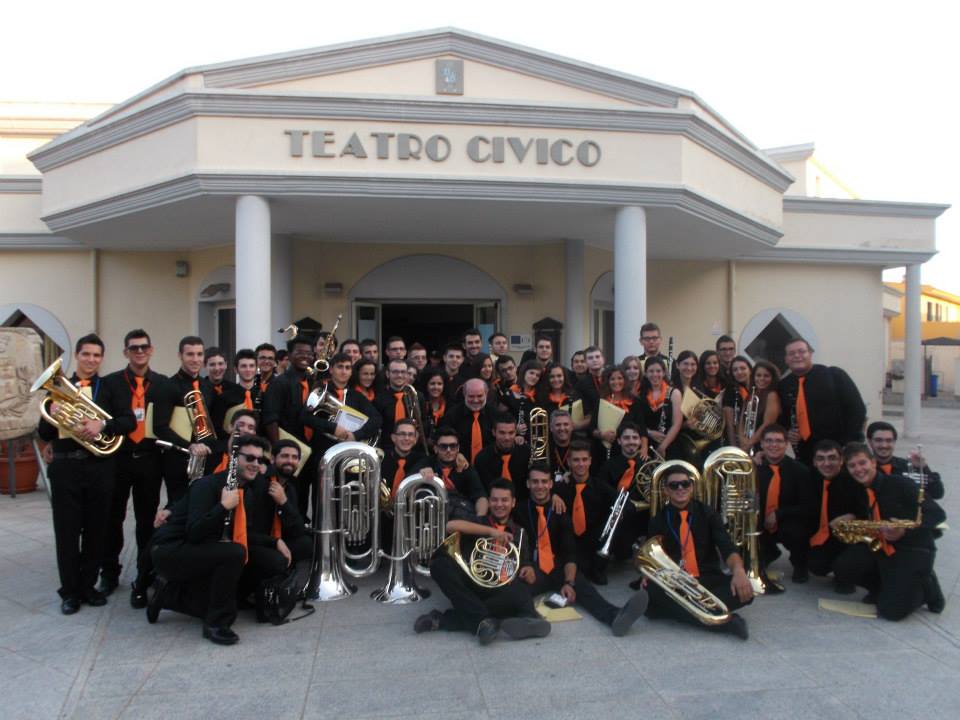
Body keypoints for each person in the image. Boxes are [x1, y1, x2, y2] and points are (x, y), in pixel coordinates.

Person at [38, 334, 136, 615]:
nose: (91, 360)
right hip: (65, 468)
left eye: (96, 355)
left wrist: (101, 425)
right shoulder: (58, 389)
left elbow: (128, 421)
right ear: (77, 356)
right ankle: (69, 592)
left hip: (99, 467)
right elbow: (44, 432)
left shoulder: (111, 387)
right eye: (86, 354)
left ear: (101, 358)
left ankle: (88, 586)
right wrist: (53, 413)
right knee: (67, 532)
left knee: (97, 530)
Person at [148, 434, 270, 644]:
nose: (255, 464)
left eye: (260, 460)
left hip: (201, 548)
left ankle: (167, 595)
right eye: (249, 458)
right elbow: (194, 532)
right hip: (170, 550)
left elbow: (239, 533)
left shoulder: (245, 490)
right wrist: (222, 507)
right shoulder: (207, 485)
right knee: (234, 553)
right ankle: (216, 624)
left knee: (241, 558)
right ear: (234, 459)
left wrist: (274, 542)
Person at [513, 465, 647, 636]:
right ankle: (529, 622)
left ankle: (615, 616)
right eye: (535, 482)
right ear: (528, 484)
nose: (540, 486)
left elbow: (569, 550)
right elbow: (518, 544)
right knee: (515, 592)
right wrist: (525, 565)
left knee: (584, 587)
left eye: (544, 482)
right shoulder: (519, 511)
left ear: (551, 484)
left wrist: (569, 582)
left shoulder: (561, 510)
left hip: (558, 566)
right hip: (533, 567)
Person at [414, 480, 550, 645]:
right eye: (495, 500)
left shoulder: (520, 533)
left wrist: (528, 569)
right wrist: (491, 532)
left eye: (504, 500)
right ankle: (506, 618)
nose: (499, 504)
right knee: (439, 565)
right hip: (472, 585)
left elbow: (524, 562)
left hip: (499, 589)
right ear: (489, 501)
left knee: (520, 592)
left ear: (513, 502)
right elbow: (451, 526)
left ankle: (457, 620)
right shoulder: (477, 521)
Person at [831, 443, 946, 619]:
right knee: (843, 567)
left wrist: (903, 531)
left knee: (891, 613)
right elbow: (866, 512)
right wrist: (849, 517)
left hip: (912, 548)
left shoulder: (901, 484)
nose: (858, 469)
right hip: (881, 545)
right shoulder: (858, 488)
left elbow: (937, 514)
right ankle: (882, 589)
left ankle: (927, 588)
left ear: (873, 462)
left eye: (862, 463)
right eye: (852, 465)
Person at [644, 464, 753, 639]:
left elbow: (727, 548)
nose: (680, 488)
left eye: (685, 484)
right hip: (677, 582)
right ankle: (726, 623)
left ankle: (669, 611)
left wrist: (739, 572)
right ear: (666, 490)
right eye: (674, 485)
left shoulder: (708, 514)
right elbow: (653, 557)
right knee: (651, 592)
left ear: (692, 486)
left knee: (746, 590)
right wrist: (649, 574)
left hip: (708, 577)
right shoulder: (658, 520)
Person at [99, 329, 167, 605]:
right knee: (112, 519)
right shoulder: (110, 383)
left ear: (151, 350)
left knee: (146, 522)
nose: (139, 352)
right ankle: (109, 573)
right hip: (118, 459)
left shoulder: (162, 384)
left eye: (143, 347)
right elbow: (101, 420)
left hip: (150, 460)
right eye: (134, 348)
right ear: (125, 352)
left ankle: (144, 575)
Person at [777, 338, 866, 466]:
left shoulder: (834, 375)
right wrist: (788, 431)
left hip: (838, 450)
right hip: (805, 453)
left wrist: (848, 444)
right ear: (786, 359)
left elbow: (857, 410)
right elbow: (783, 418)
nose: (797, 356)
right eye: (791, 353)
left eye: (801, 351)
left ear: (810, 354)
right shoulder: (784, 385)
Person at [153, 336, 217, 503]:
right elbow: (159, 427)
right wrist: (190, 446)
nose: (195, 359)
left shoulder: (207, 386)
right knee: (178, 506)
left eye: (199, 354)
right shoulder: (168, 386)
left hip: (204, 458)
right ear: (180, 356)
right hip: (178, 460)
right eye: (190, 354)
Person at [755, 425, 815, 583]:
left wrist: (779, 514)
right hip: (760, 521)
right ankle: (769, 551)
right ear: (762, 444)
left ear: (786, 444)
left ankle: (800, 564)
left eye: (778, 441)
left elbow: (808, 507)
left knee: (797, 530)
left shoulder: (800, 471)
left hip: (788, 521)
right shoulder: (754, 468)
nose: (773, 445)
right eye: (769, 441)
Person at [595, 422, 649, 568]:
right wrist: (621, 500)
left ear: (640, 441)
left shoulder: (648, 464)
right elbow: (601, 487)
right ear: (619, 441)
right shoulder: (609, 465)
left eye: (635, 438)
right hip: (618, 515)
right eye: (626, 438)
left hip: (642, 515)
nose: (631, 441)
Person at [806, 440, 859, 589]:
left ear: (841, 460)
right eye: (821, 459)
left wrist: (853, 516)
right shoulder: (810, 477)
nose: (826, 463)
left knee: (845, 567)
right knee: (816, 565)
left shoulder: (853, 481)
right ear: (814, 462)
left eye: (832, 458)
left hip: (850, 539)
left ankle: (846, 572)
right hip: (825, 536)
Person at [553, 441, 606, 583]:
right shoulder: (560, 487)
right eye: (576, 460)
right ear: (569, 462)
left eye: (584, 459)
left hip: (593, 543)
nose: (581, 464)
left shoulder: (600, 486)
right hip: (569, 545)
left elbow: (622, 502)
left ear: (590, 461)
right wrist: (552, 495)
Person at [413, 428, 487, 516]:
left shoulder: (465, 467)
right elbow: (406, 490)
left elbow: (480, 497)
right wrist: (419, 477)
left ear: (458, 448)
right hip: (432, 518)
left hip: (461, 518)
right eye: (443, 446)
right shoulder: (426, 463)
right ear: (435, 448)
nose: (448, 450)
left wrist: (479, 518)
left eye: (453, 446)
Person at [866, 421, 944, 499]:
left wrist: (924, 468)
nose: (884, 445)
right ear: (870, 442)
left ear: (894, 442)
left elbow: (937, 494)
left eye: (889, 440)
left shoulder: (906, 466)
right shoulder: (863, 468)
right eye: (878, 440)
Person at [623, 357, 682, 458]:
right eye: (651, 371)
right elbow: (636, 422)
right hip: (645, 444)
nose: (655, 374)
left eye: (658, 371)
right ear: (645, 373)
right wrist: (649, 432)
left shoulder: (674, 393)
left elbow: (677, 424)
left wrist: (662, 447)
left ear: (664, 373)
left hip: (668, 443)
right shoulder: (639, 393)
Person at [474, 414, 531, 501]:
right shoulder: (482, 458)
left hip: (523, 504)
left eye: (511, 433)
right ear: (494, 432)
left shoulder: (526, 453)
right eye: (502, 433)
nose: (507, 438)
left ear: (516, 432)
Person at [441, 378, 497, 464]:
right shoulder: (451, 416)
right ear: (464, 394)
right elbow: (443, 441)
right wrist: (456, 454)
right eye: (471, 396)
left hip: (491, 465)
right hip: (459, 465)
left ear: (486, 394)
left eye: (479, 396)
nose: (475, 400)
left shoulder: (496, 415)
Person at [740, 360, 782, 452]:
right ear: (753, 377)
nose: (762, 378)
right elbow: (742, 420)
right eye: (758, 375)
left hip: (764, 446)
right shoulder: (751, 395)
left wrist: (749, 444)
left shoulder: (772, 395)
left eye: (766, 376)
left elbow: (767, 424)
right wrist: (742, 439)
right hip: (747, 444)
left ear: (773, 378)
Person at [722, 355, 753, 447]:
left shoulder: (757, 388)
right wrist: (734, 447)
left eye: (743, 368)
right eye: (735, 370)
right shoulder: (730, 391)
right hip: (739, 439)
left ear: (750, 370)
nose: (739, 372)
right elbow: (730, 425)